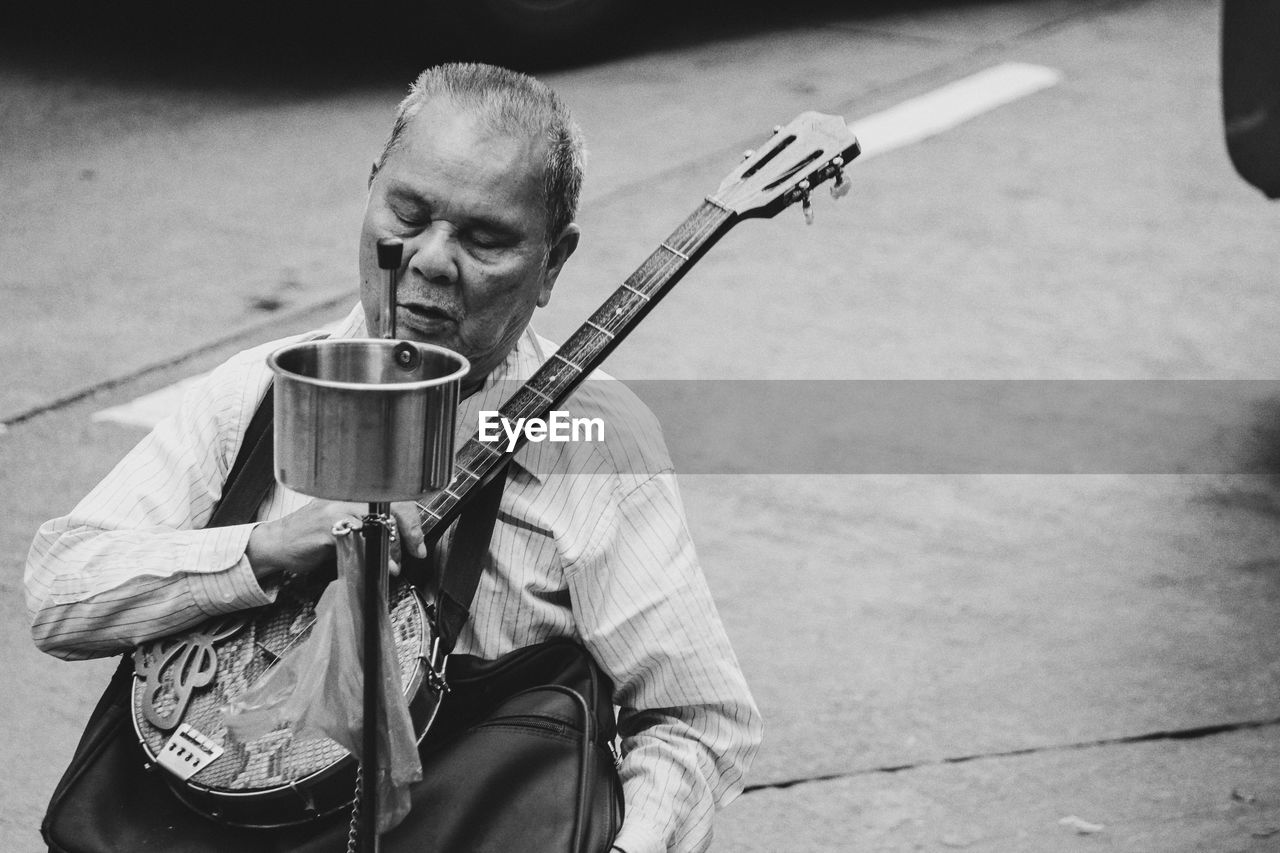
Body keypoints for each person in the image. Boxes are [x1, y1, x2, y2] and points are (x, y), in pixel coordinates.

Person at [25, 63, 761, 852]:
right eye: (409, 212)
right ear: (371, 189)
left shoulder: (598, 441)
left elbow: (695, 721)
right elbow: (60, 593)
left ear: (552, 264)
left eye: (487, 240)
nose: (434, 260)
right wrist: (267, 548)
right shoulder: (258, 392)